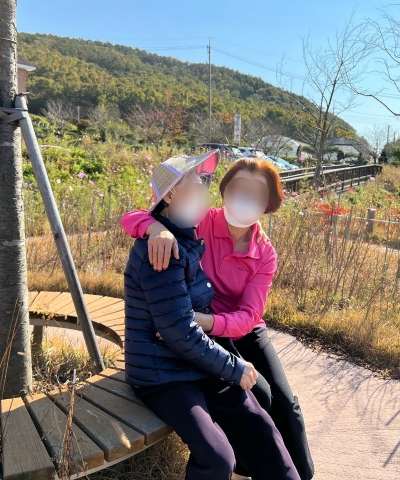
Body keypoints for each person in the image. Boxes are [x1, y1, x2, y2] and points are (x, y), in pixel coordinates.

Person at [122, 156, 315, 480]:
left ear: (268, 203)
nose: (246, 199)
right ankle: (242, 468)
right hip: (192, 340)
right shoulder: (197, 227)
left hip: (232, 328)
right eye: (239, 189)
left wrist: (208, 325)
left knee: (279, 404)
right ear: (226, 192)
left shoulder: (264, 252)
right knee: (249, 406)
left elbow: (249, 315)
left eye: (257, 194)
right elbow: (137, 216)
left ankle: (300, 473)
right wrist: (153, 227)